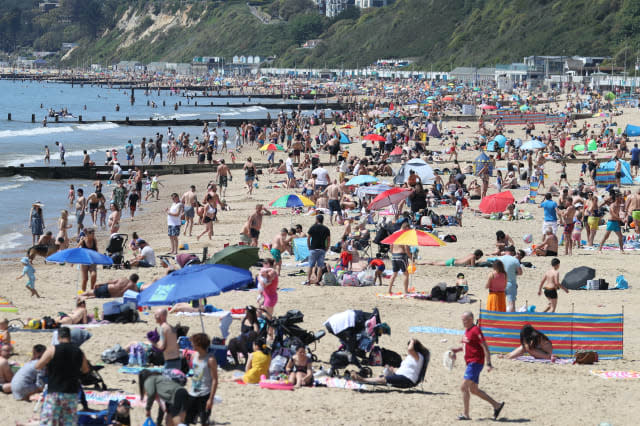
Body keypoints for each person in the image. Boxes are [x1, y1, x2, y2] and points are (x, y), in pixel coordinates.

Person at [451, 312, 504, 421]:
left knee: (463, 387)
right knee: (474, 390)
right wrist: (456, 350)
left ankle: (466, 415)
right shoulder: (467, 331)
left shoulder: (476, 330)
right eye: (462, 320)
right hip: (470, 363)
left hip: (475, 363)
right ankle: (496, 405)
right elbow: (466, 345)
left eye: (465, 320)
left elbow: (485, 347)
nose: (463, 322)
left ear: (471, 319)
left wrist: (489, 363)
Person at [36, 327, 90, 425]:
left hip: (55, 392)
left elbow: (39, 366)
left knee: (49, 421)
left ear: (59, 337)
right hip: (71, 392)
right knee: (68, 422)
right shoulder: (78, 351)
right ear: (70, 337)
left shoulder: (52, 350)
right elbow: (86, 369)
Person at [352, 338, 430, 389]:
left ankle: (362, 380)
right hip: (401, 376)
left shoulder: (419, 356)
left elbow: (410, 349)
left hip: (408, 380)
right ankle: (368, 378)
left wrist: (413, 340)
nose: (407, 348)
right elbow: (404, 369)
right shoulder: (411, 357)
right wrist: (392, 369)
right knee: (385, 372)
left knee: (383, 379)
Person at [185, 333, 218, 425]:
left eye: (193, 343)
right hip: (192, 393)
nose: (191, 344)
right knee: (187, 420)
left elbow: (215, 380)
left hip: (205, 395)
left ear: (199, 344)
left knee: (204, 421)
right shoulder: (193, 356)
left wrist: (211, 399)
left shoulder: (210, 360)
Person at [388, 221, 412, 294]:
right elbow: (406, 248)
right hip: (402, 256)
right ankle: (406, 291)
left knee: (394, 273)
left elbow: (391, 245)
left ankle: (389, 290)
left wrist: (393, 252)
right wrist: (411, 257)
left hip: (394, 255)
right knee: (406, 273)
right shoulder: (404, 235)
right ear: (406, 228)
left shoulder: (395, 233)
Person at [306, 214, 330, 285]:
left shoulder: (313, 227)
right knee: (320, 266)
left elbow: (308, 238)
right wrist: (327, 248)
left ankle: (308, 280)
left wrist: (309, 246)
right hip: (322, 249)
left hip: (313, 248)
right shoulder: (326, 229)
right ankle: (317, 281)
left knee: (310, 265)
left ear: (317, 219)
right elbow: (328, 239)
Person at [498, 246, 523, 312]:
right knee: (511, 303)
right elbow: (520, 272)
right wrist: (514, 273)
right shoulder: (515, 260)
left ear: (505, 251)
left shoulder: (499, 259)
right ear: (512, 252)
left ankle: (500, 318)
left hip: (500, 283)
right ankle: (511, 320)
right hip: (510, 283)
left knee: (500, 302)